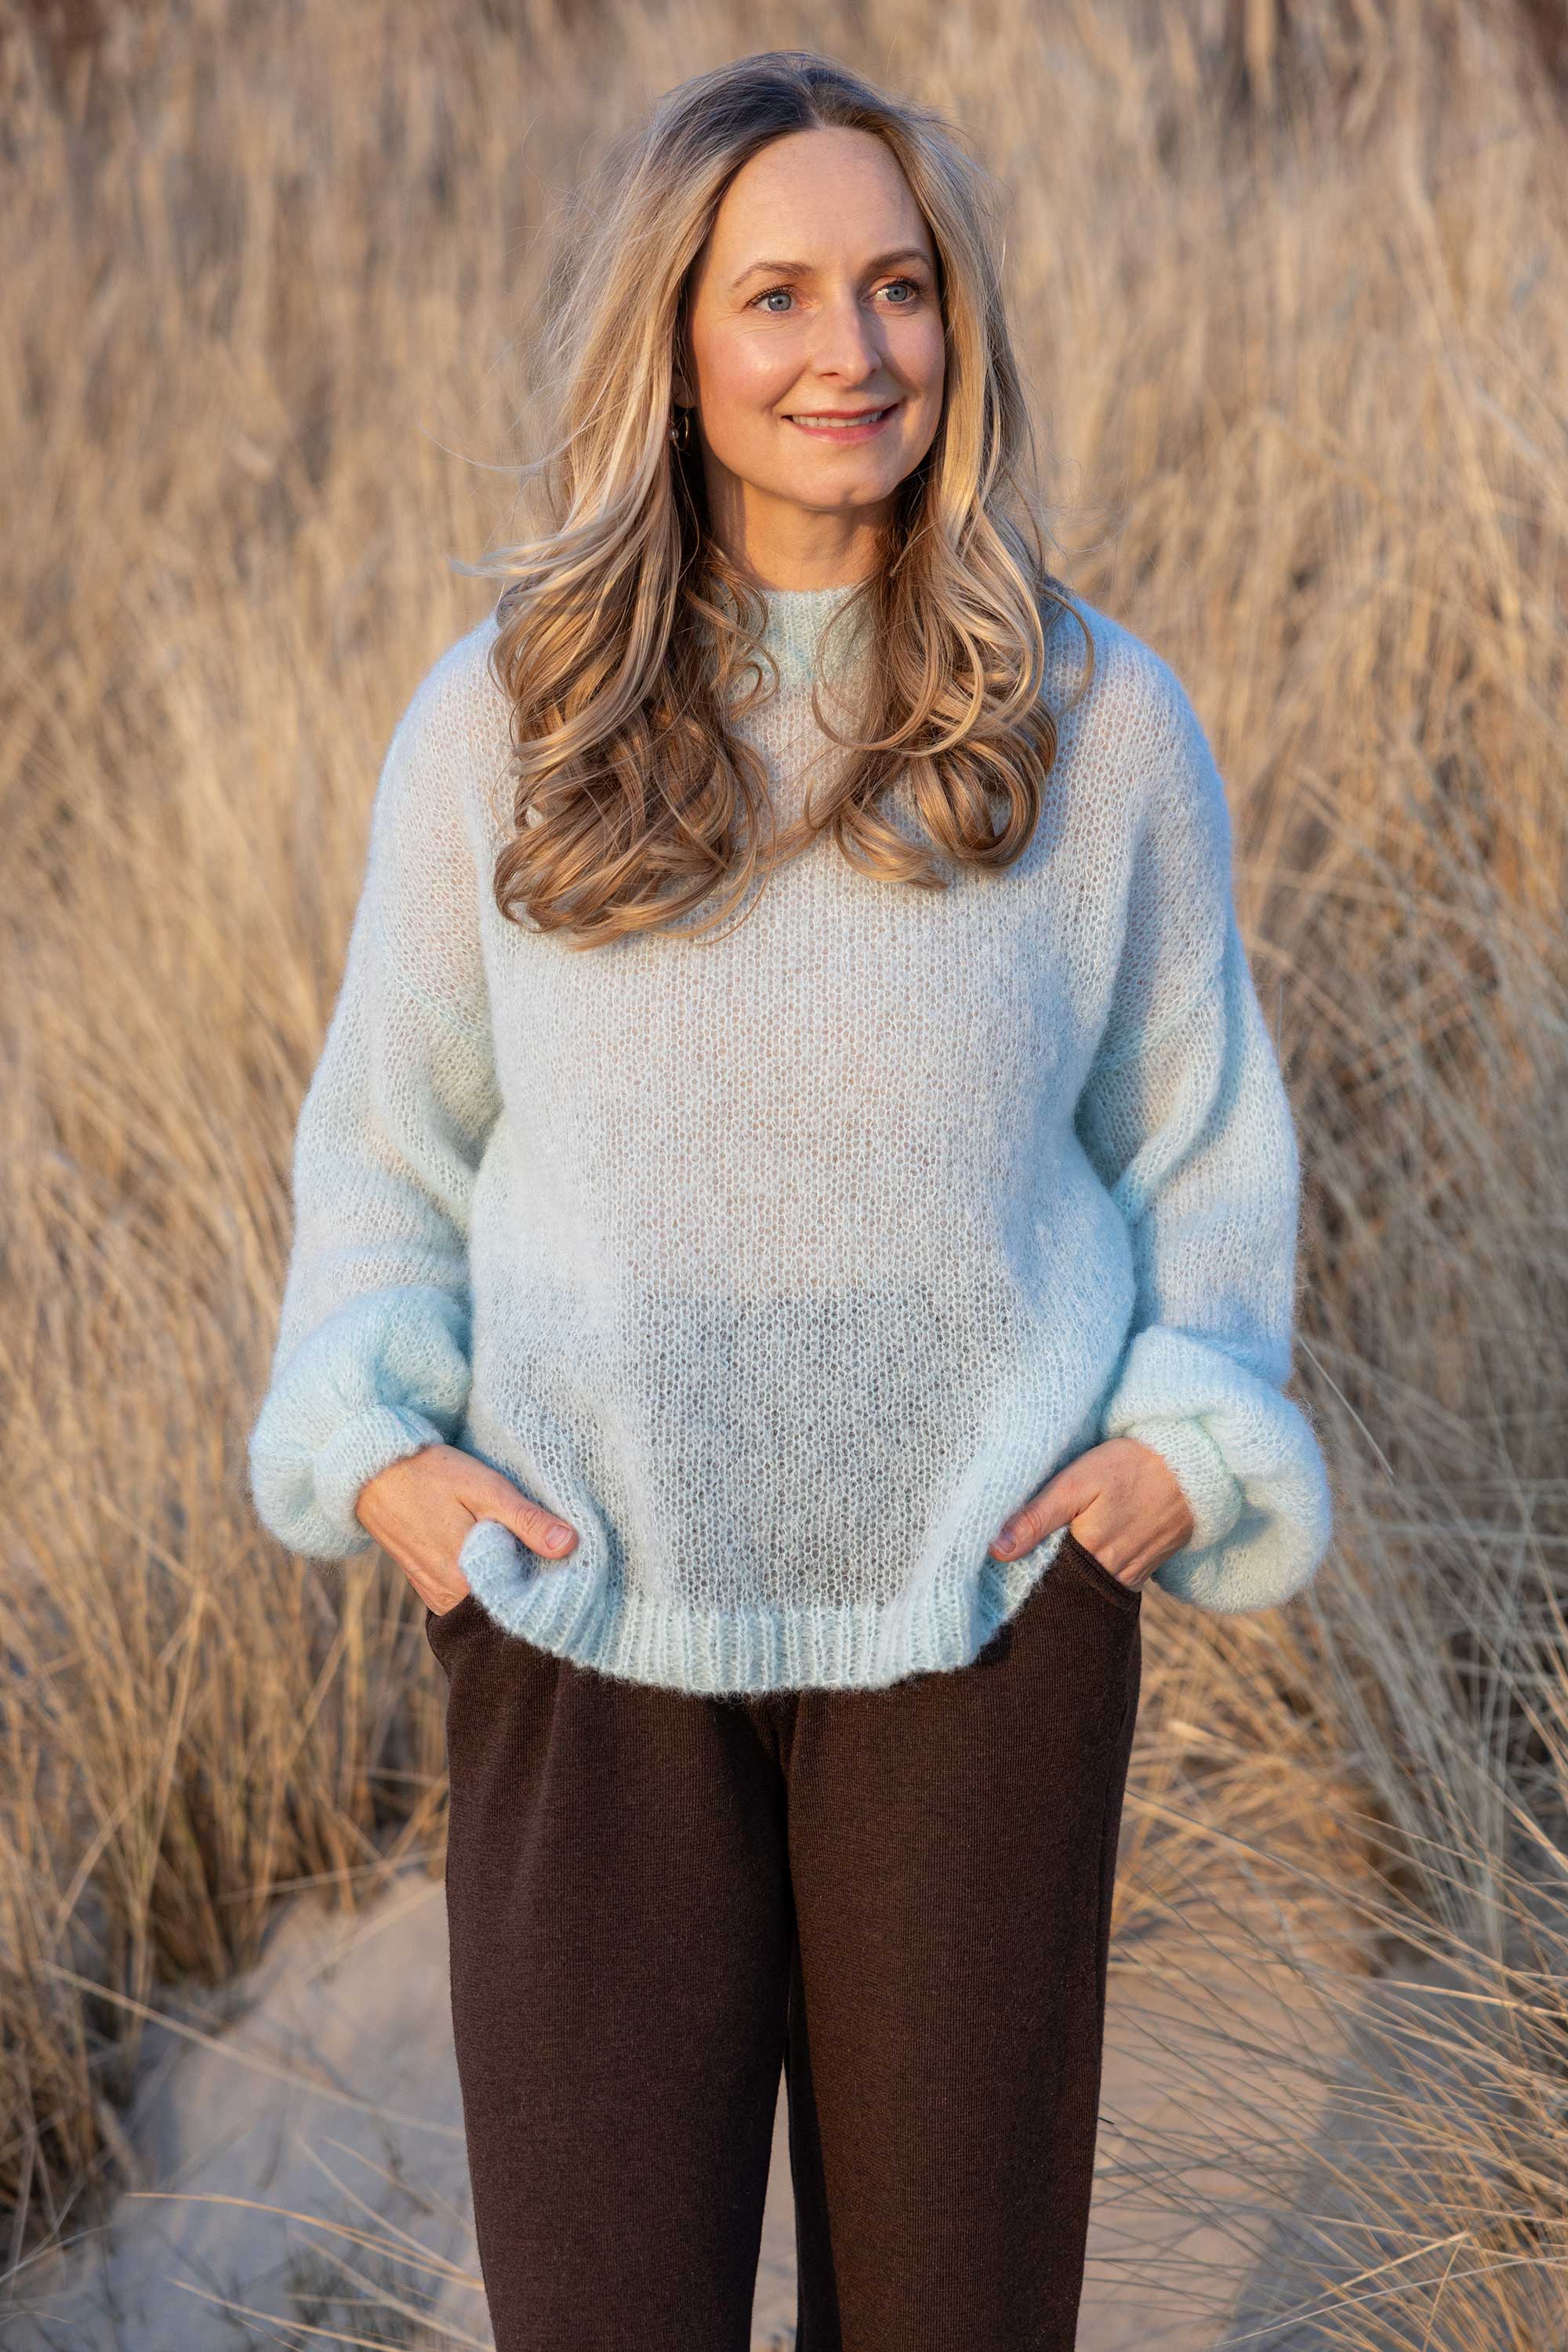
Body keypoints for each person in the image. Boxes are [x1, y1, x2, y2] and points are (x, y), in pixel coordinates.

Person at [246, 47, 1333, 2352]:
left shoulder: (1093, 718)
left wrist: (1182, 1445)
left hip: (982, 1621)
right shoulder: (508, 719)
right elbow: (386, 1150)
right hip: (578, 1615)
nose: (854, 350)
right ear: (674, 343)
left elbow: (1202, 1139)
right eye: (779, 296)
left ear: (958, 323)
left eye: (901, 288)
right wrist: (381, 1454)